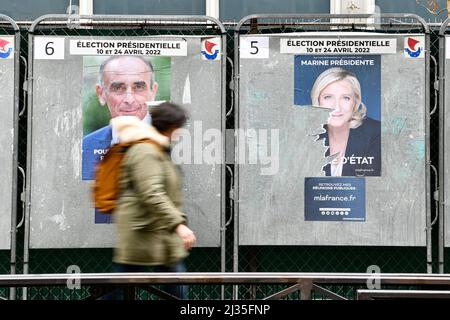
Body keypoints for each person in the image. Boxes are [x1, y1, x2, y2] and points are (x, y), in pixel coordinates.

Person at [103, 102, 196, 300]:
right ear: (170, 127)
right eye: (179, 127)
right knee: (118, 295)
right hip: (144, 235)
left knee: (177, 292)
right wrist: (178, 226)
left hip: (157, 237)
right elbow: (152, 193)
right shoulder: (146, 151)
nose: (180, 132)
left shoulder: (157, 149)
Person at [82, 55, 158, 181]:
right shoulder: (85, 148)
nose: (129, 99)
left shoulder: (177, 144)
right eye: (118, 88)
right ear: (101, 94)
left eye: (138, 87)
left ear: (153, 92)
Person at [311, 67, 381, 176]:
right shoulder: (305, 137)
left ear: (355, 102)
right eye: (328, 97)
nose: (337, 107)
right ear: (318, 100)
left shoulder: (377, 133)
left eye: (346, 98)